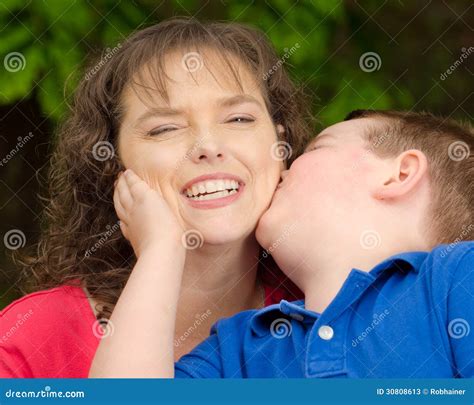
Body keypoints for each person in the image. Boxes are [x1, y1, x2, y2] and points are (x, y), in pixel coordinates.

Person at [0, 18, 312, 378]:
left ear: (280, 146)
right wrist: (161, 249)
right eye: (165, 128)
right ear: (111, 163)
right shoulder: (28, 342)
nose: (208, 147)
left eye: (239, 119)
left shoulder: (329, 310)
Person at [90, 109, 473, 378]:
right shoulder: (238, 349)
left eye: (317, 148)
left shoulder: (453, 280)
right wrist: (160, 249)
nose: (283, 169)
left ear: (399, 174)